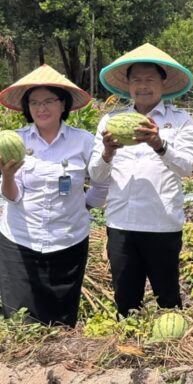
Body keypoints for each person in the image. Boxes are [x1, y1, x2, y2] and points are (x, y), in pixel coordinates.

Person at [89, 44, 193, 318]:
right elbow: (96, 175)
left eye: (150, 79)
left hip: (163, 223)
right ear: (127, 85)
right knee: (126, 302)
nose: (143, 85)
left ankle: (172, 354)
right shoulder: (111, 121)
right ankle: (128, 351)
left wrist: (160, 144)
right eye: (136, 79)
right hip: (121, 223)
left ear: (163, 82)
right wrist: (108, 151)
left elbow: (186, 167)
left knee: (169, 300)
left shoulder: (180, 120)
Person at [0, 65, 107, 326]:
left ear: (63, 105)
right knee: (19, 321)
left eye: (49, 101)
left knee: (62, 320)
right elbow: (11, 198)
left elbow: (103, 184)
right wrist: (8, 176)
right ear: (27, 108)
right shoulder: (15, 141)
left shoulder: (83, 141)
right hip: (20, 240)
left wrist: (83, 207)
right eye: (34, 102)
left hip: (68, 240)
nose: (41, 108)